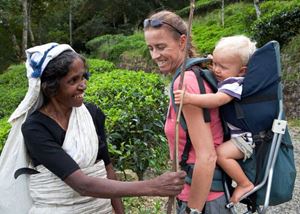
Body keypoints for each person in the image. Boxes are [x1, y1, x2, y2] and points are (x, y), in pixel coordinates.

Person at [0, 43, 186, 214]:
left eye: (83, 77)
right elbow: (82, 184)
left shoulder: (92, 114)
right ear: (51, 88)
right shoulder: (35, 128)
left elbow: (107, 170)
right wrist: (153, 186)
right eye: (73, 81)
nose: (83, 86)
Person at [144, 10, 230, 213]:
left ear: (182, 42)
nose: (155, 55)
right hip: (202, 194)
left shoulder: (186, 82)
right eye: (150, 48)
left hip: (204, 201)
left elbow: (207, 157)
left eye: (161, 47)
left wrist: (193, 210)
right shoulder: (195, 74)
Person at [174, 35, 257, 204]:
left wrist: (190, 98)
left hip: (244, 140)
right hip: (239, 138)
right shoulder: (229, 76)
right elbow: (220, 66)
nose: (216, 70)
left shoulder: (235, 83)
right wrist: (216, 62)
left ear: (242, 71)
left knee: (220, 155)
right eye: (214, 64)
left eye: (222, 67)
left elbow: (217, 100)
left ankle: (244, 184)